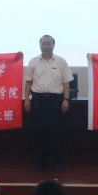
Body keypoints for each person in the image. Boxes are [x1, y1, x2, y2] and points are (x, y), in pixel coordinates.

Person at [24, 34, 73, 171]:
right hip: (38, 100)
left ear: (53, 45)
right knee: (38, 132)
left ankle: (56, 162)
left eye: (49, 43)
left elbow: (66, 83)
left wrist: (66, 99)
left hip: (56, 100)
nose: (46, 46)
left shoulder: (61, 61)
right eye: (43, 44)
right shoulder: (33, 62)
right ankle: (40, 161)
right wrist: (26, 99)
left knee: (56, 132)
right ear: (40, 45)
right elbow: (28, 83)